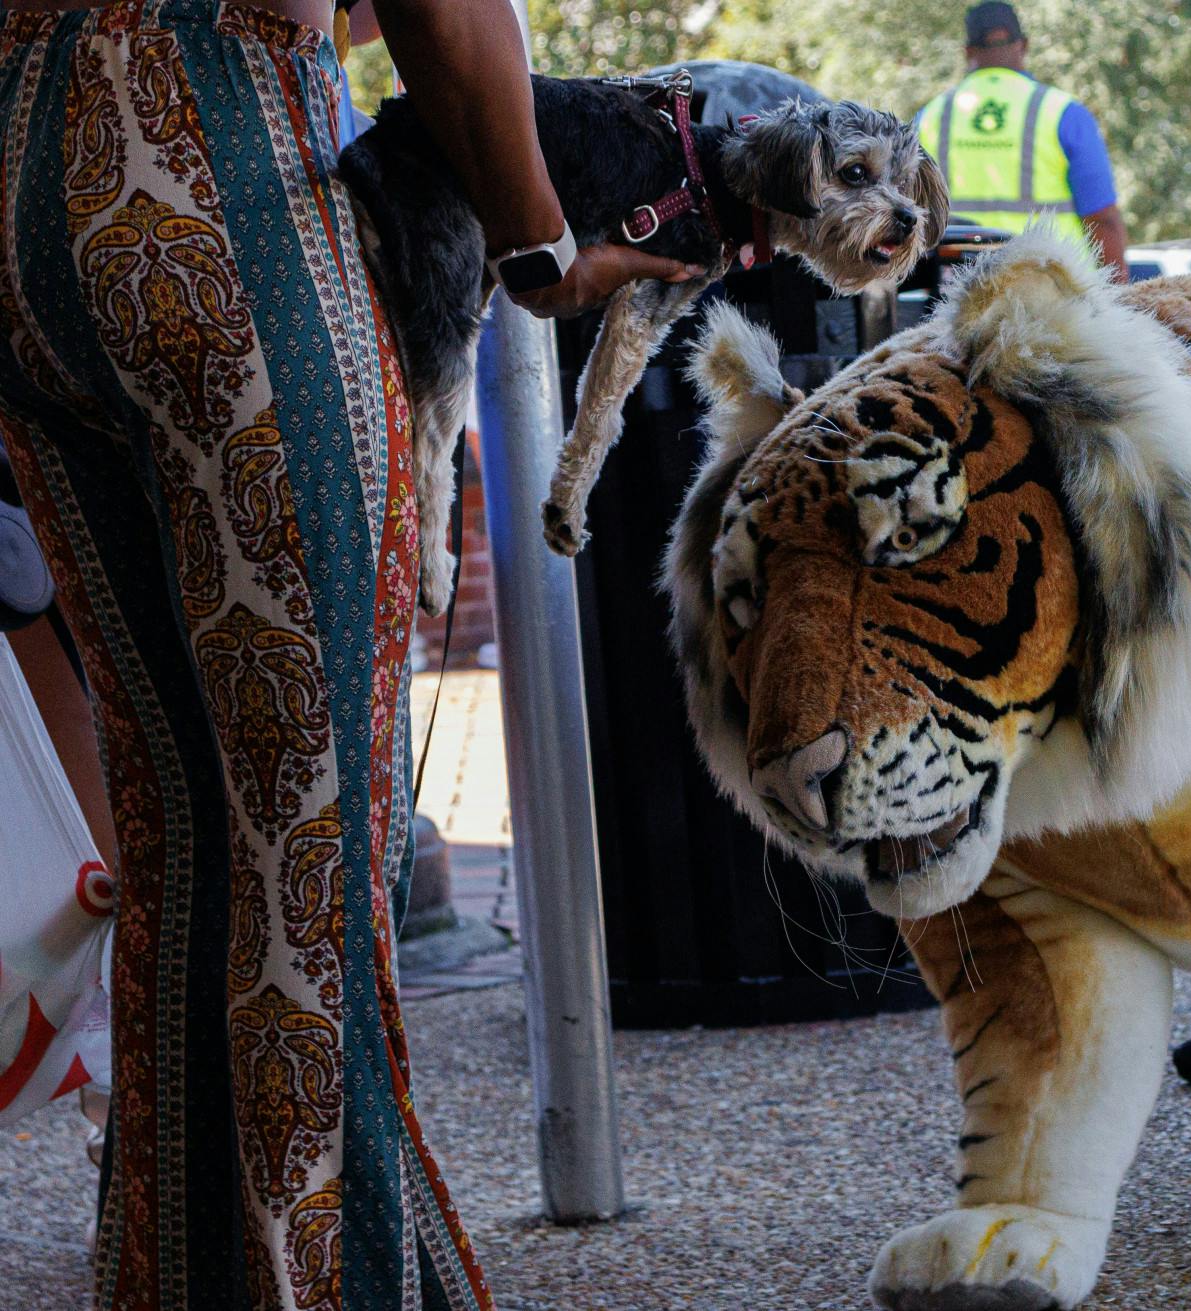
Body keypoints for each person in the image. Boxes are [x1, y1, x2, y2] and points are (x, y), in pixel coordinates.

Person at [0, 0, 699, 1305]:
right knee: (304, 848)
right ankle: (333, 1281)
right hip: (215, 169)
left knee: (179, 838)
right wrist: (541, 244)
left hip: (20, 209)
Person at [916, 1, 1129, 279]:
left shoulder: (931, 116)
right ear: (1024, 45)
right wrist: (1117, 298)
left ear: (968, 51)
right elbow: (1103, 220)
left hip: (954, 294)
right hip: (1053, 292)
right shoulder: (1064, 113)